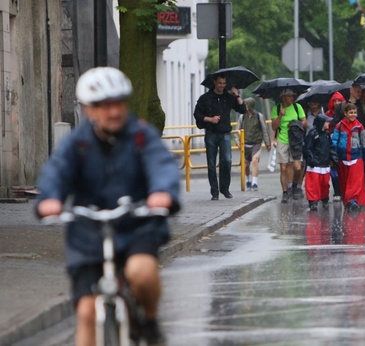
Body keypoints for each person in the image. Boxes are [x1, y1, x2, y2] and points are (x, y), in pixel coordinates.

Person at [35, 67, 181, 346]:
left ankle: (149, 322)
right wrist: (50, 199)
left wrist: (162, 192)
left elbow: (160, 165)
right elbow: (56, 171)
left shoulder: (141, 136)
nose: (112, 112)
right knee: (87, 311)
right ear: (89, 110)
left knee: (142, 272)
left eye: (117, 103)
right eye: (103, 106)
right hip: (88, 235)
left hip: (137, 225)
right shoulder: (77, 144)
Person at [194, 74, 246, 200]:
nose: (222, 86)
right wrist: (210, 119)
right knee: (211, 164)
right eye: (220, 83)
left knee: (227, 161)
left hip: (225, 134)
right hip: (211, 134)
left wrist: (237, 95)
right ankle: (214, 191)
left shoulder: (228, 97)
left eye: (224, 83)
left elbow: (243, 109)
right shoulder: (205, 98)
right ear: (214, 83)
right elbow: (197, 115)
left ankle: (224, 188)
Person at [331, 102, 365, 211]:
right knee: (345, 181)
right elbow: (334, 141)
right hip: (343, 157)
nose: (353, 115)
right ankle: (349, 201)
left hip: (356, 156)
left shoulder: (359, 126)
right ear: (345, 113)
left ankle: (353, 200)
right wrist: (333, 156)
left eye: (355, 112)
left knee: (355, 181)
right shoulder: (339, 126)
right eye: (350, 112)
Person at [271, 89, 307, 203]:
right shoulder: (276, 109)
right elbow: (274, 127)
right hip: (283, 140)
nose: (292, 98)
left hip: (295, 140)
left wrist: (296, 124)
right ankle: (285, 192)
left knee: (297, 167)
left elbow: (305, 122)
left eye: (293, 96)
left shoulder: (297, 107)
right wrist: (280, 116)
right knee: (283, 167)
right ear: (283, 97)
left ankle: (295, 186)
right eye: (290, 96)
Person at [236, 98, 271, 191]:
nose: (245, 107)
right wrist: (238, 142)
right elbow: (237, 131)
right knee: (246, 165)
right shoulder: (242, 117)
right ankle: (248, 180)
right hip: (245, 144)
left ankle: (255, 183)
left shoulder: (259, 116)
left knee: (255, 160)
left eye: (247, 105)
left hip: (256, 143)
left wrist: (268, 143)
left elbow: (264, 130)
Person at [304, 114, 337, 211]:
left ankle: (324, 198)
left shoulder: (326, 135)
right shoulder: (313, 134)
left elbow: (330, 147)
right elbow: (307, 148)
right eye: (327, 122)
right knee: (313, 184)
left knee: (324, 184)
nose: (328, 124)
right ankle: (313, 201)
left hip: (325, 163)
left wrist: (333, 158)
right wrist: (312, 159)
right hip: (315, 165)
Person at [326, 91, 346, 202]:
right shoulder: (328, 115)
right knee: (334, 168)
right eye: (335, 101)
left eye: (339, 101)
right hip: (333, 144)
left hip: (344, 144)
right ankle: (337, 191)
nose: (337, 103)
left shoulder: (346, 113)